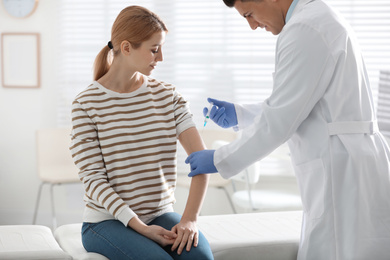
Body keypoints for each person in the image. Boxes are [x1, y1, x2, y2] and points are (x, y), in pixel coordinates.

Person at [185, 0, 390, 259]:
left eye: (249, 14)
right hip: (350, 164)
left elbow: (281, 120)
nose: (251, 26)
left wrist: (218, 158)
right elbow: (299, 106)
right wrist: (240, 115)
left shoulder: (305, 28)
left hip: (342, 173)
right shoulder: (318, 18)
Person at [69, 5, 213, 260]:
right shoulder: (86, 104)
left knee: (200, 257)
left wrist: (189, 220)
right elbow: (94, 180)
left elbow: (201, 162)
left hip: (160, 214)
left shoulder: (168, 96)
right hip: (106, 222)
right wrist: (142, 229)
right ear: (126, 48)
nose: (161, 58)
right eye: (154, 50)